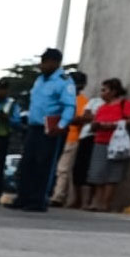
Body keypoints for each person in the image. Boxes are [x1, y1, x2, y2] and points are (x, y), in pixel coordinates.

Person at [8, 48, 75, 213]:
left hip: (50, 129)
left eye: (45, 62)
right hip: (33, 127)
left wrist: (61, 126)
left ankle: (38, 200)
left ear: (55, 63)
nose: (41, 65)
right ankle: (22, 197)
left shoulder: (63, 81)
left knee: (43, 165)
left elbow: (69, 106)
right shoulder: (39, 80)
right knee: (27, 164)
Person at [80, 78, 130, 213]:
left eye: (104, 90)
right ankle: (97, 201)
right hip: (100, 141)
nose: (102, 93)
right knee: (97, 173)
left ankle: (105, 203)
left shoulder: (125, 104)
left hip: (117, 143)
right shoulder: (102, 107)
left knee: (113, 174)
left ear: (113, 91)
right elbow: (95, 123)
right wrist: (96, 126)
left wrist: (115, 124)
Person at [51, 71, 88, 207]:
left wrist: (66, 118)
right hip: (59, 135)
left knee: (63, 169)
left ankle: (58, 196)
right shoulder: (66, 97)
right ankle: (55, 193)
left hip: (72, 137)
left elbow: (81, 118)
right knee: (58, 168)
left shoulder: (82, 101)